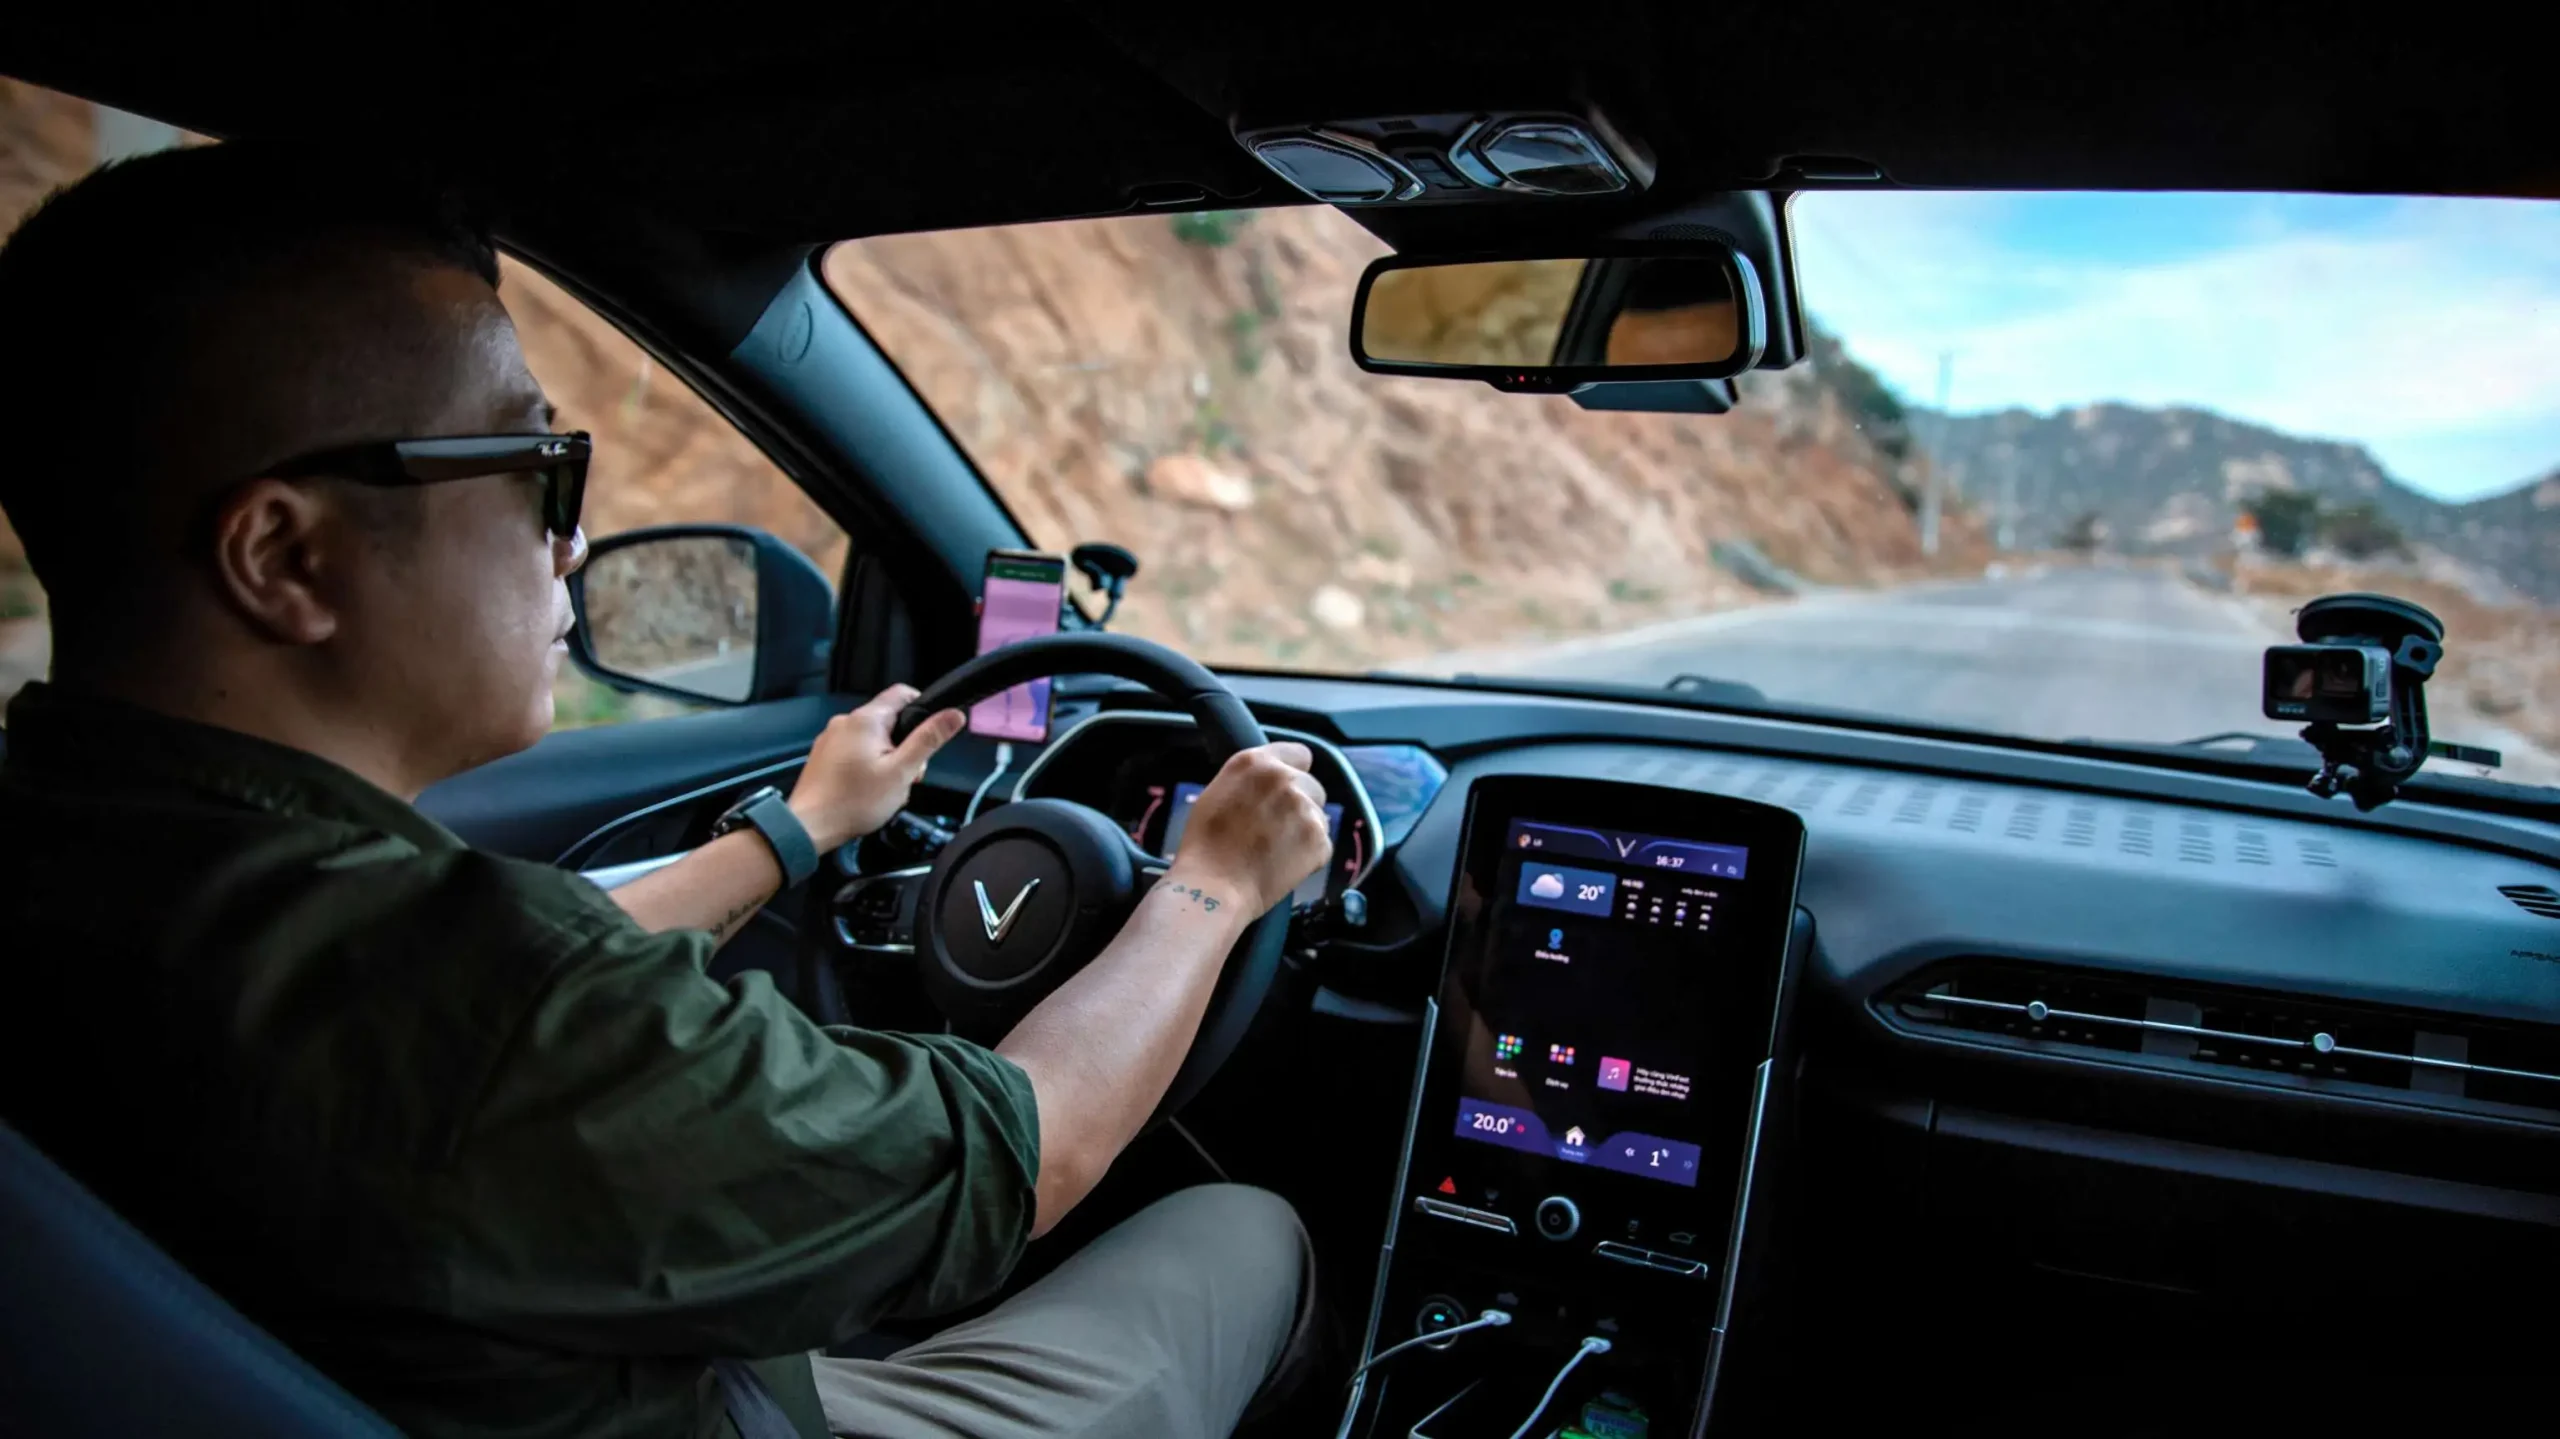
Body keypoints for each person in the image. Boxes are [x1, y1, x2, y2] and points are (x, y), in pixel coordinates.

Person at [0, 142, 1335, 1439]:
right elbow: (1030, 1154)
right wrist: (1215, 883)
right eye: (537, 468)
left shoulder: (120, 865)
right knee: (1249, 1230)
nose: (575, 539)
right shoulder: (493, 1016)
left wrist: (800, 829)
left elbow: (538, 982)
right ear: (286, 556)